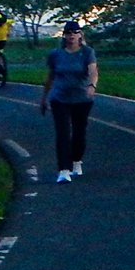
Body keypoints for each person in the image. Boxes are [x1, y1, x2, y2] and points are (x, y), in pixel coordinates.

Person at [39, 18, 98, 181]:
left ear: (80, 35)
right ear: (64, 36)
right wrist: (44, 98)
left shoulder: (87, 52)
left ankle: (76, 160)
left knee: (79, 133)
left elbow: (93, 71)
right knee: (62, 133)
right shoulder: (56, 54)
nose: (71, 36)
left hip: (81, 98)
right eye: (68, 33)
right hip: (60, 98)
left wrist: (92, 86)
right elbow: (51, 76)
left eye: (74, 32)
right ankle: (63, 170)